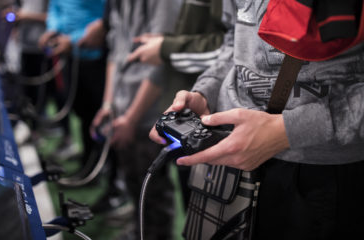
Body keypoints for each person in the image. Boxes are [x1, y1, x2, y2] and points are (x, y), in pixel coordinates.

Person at [150, 0, 364, 239]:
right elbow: (235, 36)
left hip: (319, 171)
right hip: (229, 150)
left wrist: (288, 131)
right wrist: (205, 91)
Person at [89, 0, 182, 238]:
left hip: (149, 112)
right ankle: (138, 229)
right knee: (134, 183)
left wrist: (131, 118)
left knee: (153, 194)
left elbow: (163, 61)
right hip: (123, 107)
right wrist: (109, 104)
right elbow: (115, 51)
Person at [126, 0, 226, 209]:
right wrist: (165, 44)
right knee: (192, 210)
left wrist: (166, 49)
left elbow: (233, 47)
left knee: (209, 209)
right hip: (190, 106)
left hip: (213, 116)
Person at [38, 0, 107, 166]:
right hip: (70, 56)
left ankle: (104, 167)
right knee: (83, 113)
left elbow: (108, 19)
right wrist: (53, 30)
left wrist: (74, 40)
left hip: (96, 57)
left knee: (98, 115)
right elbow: (56, 7)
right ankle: (89, 161)